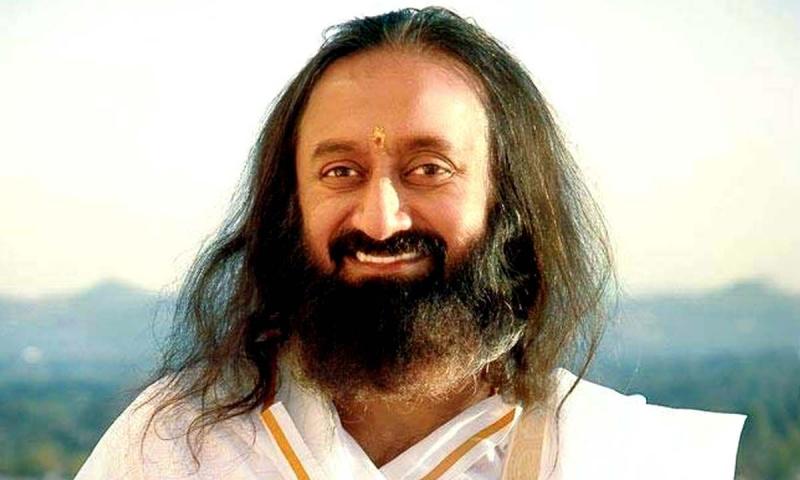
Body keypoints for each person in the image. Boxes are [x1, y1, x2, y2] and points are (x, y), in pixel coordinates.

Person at [77, 7, 745, 479]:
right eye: (341, 172)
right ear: (288, 205)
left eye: (429, 169)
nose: (380, 221)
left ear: (509, 200)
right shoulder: (173, 446)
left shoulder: (626, 459)